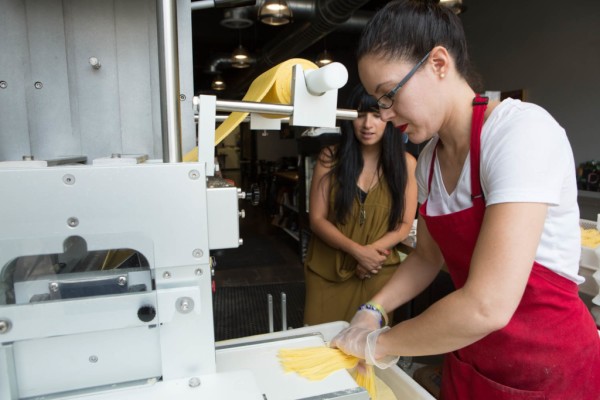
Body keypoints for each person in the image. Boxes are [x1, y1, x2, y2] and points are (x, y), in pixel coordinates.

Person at [330, 1, 600, 399]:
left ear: (438, 63)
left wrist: (379, 345)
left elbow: (488, 306)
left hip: (547, 371)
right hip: (469, 355)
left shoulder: (518, 133)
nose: (384, 115)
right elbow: (426, 257)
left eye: (388, 95)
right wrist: (373, 311)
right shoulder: (428, 162)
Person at [303, 84, 418, 326]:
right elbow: (317, 219)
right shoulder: (330, 158)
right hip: (328, 271)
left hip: (378, 274)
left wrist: (371, 256)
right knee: (319, 345)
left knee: (368, 350)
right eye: (360, 115)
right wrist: (358, 252)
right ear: (348, 118)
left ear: (390, 118)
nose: (367, 125)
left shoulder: (406, 164)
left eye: (376, 115)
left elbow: (404, 223)